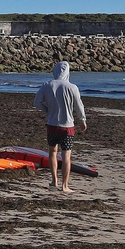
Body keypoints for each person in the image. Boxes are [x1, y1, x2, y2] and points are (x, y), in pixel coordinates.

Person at [34, 61, 87, 193]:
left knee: (52, 153)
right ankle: (65, 186)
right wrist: (82, 120)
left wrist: (47, 110)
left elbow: (36, 102)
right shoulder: (72, 87)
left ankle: (54, 181)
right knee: (66, 156)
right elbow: (79, 106)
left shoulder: (47, 85)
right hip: (67, 126)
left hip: (52, 125)